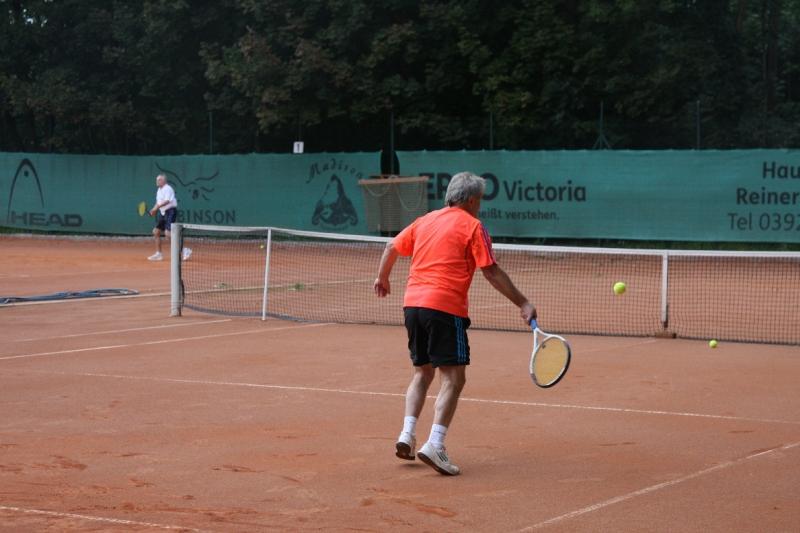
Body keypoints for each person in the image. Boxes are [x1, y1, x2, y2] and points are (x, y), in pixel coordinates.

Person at [374, 171, 536, 476]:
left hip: (413, 306)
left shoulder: (425, 220)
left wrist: (382, 277)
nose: (480, 206)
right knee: (453, 379)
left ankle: (407, 434)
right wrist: (523, 303)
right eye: (480, 200)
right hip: (445, 307)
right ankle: (435, 444)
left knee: (422, 373)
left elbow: (390, 247)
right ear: (472, 200)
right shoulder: (473, 226)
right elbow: (491, 271)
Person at [148, 173, 191, 261]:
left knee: (168, 233)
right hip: (163, 213)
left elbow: (167, 201)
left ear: (164, 181)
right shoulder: (159, 190)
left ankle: (185, 250)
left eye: (159, 180)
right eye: (157, 180)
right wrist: (153, 209)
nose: (157, 181)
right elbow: (158, 202)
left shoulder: (168, 188)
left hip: (170, 212)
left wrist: (157, 207)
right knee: (156, 232)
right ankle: (159, 254)